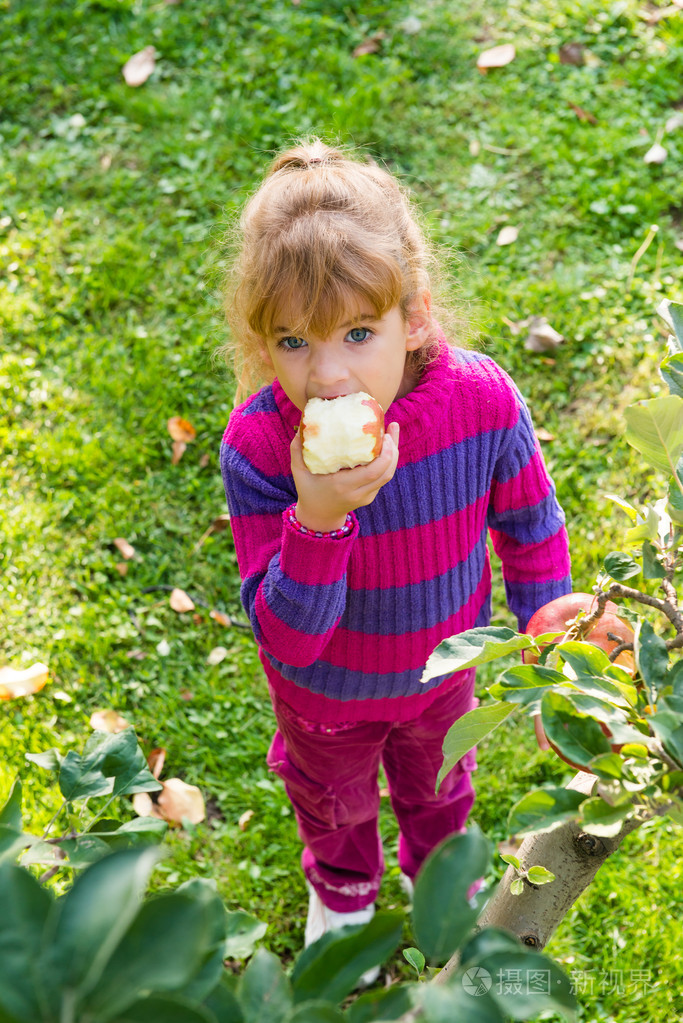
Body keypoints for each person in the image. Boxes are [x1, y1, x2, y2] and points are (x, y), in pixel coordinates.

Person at [219, 138, 571, 960]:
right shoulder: (260, 448)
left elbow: (529, 524)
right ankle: (342, 896)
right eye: (294, 341)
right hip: (324, 695)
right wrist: (316, 518)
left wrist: (549, 638)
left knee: (439, 788)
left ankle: (441, 880)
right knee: (331, 804)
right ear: (261, 342)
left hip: (441, 673)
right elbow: (287, 636)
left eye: (356, 332)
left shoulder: (481, 401)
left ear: (413, 317)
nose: (328, 375)